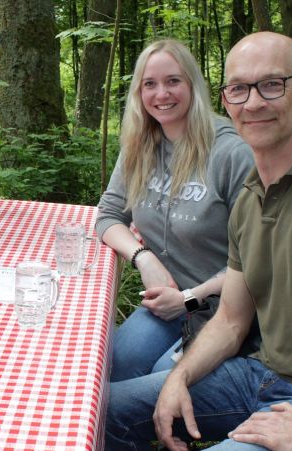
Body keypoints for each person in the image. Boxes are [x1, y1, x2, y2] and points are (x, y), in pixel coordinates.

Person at [102, 31, 292, 451]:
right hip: (256, 369)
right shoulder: (254, 198)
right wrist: (179, 378)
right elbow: (232, 321)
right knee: (103, 409)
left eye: (273, 85)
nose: (253, 103)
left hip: (275, 388)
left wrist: (187, 300)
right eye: (240, 89)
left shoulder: (229, 155)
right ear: (226, 97)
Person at [95, 39, 254, 381]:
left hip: (223, 307)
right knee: (111, 368)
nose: (161, 94)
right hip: (166, 303)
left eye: (173, 81)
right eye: (149, 84)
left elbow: (260, 257)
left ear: (193, 85)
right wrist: (144, 257)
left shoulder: (231, 153)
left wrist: (189, 299)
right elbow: (108, 215)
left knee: (160, 377)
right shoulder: (141, 145)